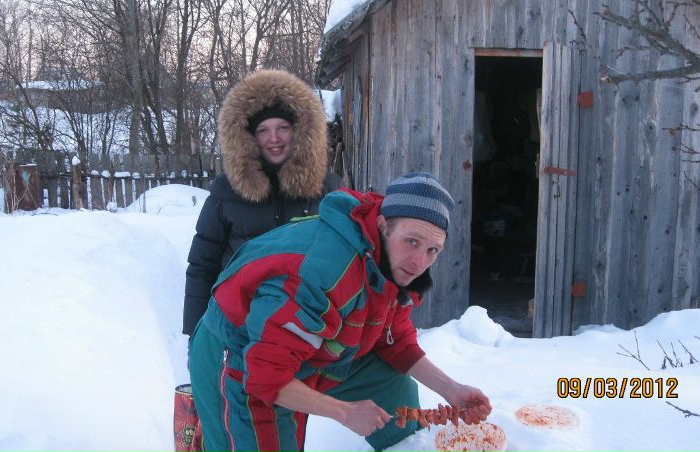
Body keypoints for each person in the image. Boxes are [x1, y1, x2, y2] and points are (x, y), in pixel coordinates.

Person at [190, 173, 492, 452]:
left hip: (314, 348)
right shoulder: (324, 273)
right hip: (238, 352)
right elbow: (266, 377)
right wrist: (344, 412)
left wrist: (452, 390)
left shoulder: (388, 264)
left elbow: (395, 339)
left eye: (432, 250)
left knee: (394, 388)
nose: (418, 262)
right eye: (411, 241)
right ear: (384, 225)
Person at [183, 69, 344, 338]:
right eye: (263, 130)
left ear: (301, 131)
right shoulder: (227, 191)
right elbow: (202, 266)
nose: (274, 138)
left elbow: (344, 263)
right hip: (238, 327)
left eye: (283, 127)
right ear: (247, 137)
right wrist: (196, 333)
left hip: (306, 328)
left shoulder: (327, 188)